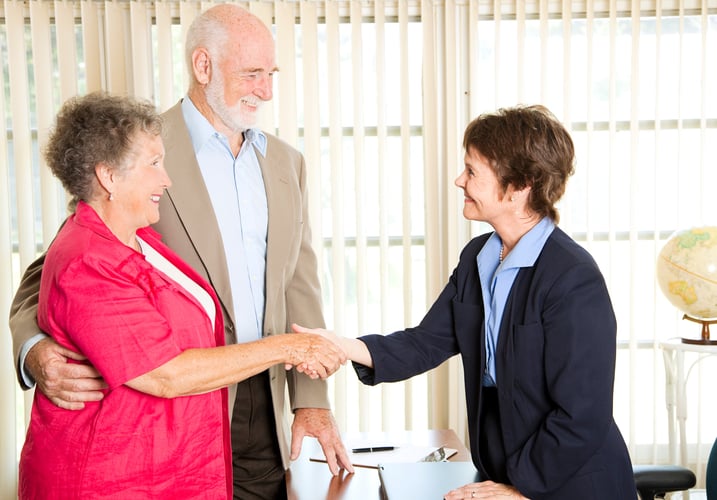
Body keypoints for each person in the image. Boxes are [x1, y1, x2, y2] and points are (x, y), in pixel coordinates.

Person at [10, 5, 353, 499]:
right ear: (203, 66)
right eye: (252, 73)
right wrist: (34, 349)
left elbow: (299, 280)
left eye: (271, 74)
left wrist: (311, 398)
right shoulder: (136, 150)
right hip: (167, 410)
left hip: (263, 398)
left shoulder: (285, 163)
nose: (267, 90)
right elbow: (59, 267)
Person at [296, 105, 637, 499]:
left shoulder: (573, 277)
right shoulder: (479, 257)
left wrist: (519, 490)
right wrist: (339, 345)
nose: (460, 181)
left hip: (572, 484)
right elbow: (426, 342)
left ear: (520, 185)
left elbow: (582, 416)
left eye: (473, 171)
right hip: (506, 475)